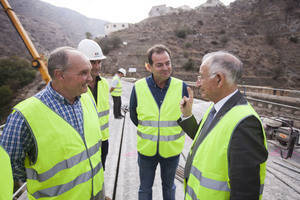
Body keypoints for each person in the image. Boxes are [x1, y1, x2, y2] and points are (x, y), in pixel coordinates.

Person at [0, 47, 105, 199]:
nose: (90, 78)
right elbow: (10, 169)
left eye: (89, 72)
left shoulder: (87, 99)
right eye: (83, 73)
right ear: (59, 75)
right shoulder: (23, 116)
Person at [178, 51, 268, 200]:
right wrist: (187, 115)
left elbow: (245, 193)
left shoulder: (244, 124)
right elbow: (206, 141)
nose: (198, 83)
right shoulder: (215, 108)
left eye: (201, 76)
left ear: (219, 79)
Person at [129, 44, 188, 200]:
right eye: (159, 64)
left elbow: (186, 118)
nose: (165, 68)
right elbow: (134, 116)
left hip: (171, 151)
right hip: (147, 150)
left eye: (168, 63)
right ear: (149, 67)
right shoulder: (139, 87)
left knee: (169, 188)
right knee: (145, 189)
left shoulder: (181, 86)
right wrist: (151, 132)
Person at [78, 39, 110, 170]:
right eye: (92, 62)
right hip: (84, 143)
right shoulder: (76, 88)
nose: (97, 66)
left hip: (103, 140)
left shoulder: (104, 84)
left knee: (100, 173)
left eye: (99, 62)